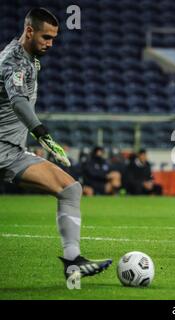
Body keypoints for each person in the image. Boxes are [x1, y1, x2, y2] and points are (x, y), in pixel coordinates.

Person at [0, 8, 111, 280]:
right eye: (45, 37)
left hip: (12, 153)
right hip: (4, 151)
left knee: (70, 189)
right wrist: (43, 135)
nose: (50, 43)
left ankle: (73, 262)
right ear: (29, 31)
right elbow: (18, 102)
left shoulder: (29, 58)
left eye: (53, 38)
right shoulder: (14, 60)